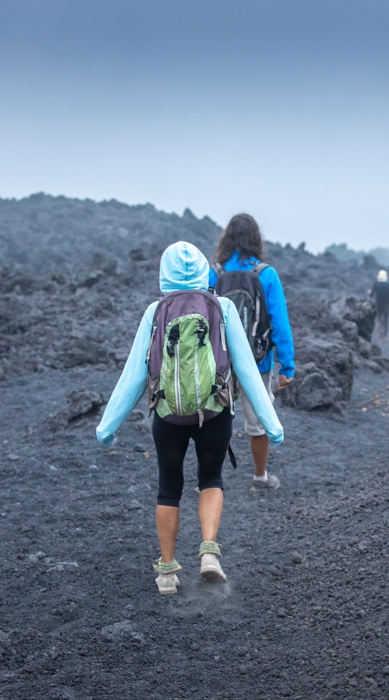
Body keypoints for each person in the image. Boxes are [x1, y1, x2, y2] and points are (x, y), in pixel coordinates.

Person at [96, 241, 284, 595]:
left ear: (164, 275)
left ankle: (167, 572)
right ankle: (209, 553)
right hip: (214, 413)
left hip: (167, 416)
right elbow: (245, 368)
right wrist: (272, 425)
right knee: (211, 478)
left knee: (169, 486)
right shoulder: (223, 307)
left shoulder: (155, 312)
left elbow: (133, 377)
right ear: (202, 272)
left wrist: (106, 427)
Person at [209, 214, 294, 492]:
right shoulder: (265, 274)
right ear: (256, 239)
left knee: (214, 420)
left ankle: (208, 482)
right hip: (258, 362)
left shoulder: (215, 273)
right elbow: (279, 322)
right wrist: (287, 366)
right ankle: (260, 477)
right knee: (257, 421)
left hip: (219, 360)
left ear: (227, 238)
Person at [368, 270, 389, 343]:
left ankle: (379, 335)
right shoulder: (387, 285)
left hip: (378, 305)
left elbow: (372, 295)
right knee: (386, 321)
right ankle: (385, 336)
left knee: (379, 320)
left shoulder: (376, 284)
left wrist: (369, 293)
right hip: (386, 305)